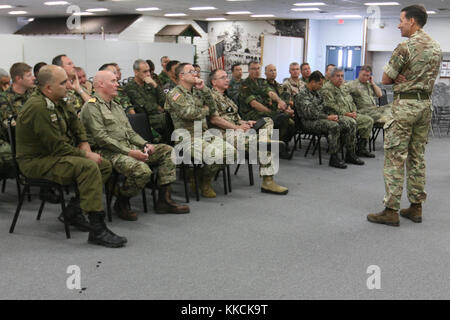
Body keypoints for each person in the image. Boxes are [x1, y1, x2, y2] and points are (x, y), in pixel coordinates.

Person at [15, 65, 126, 248]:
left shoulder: (57, 99)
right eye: (63, 82)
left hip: (54, 155)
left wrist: (84, 143)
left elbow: (76, 124)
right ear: (48, 87)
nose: (69, 85)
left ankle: (74, 210)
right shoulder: (38, 107)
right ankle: (97, 229)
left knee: (104, 165)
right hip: (36, 162)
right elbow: (58, 147)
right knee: (89, 166)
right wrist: (86, 156)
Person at [367, 5, 442, 226]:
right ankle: (416, 207)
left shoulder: (405, 46)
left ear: (412, 21)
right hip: (425, 106)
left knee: (395, 157)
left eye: (401, 20)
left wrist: (402, 78)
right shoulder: (437, 47)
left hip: (405, 106)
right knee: (417, 157)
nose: (398, 24)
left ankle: (391, 210)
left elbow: (386, 79)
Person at [81, 71, 189, 221]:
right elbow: (102, 139)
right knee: (142, 171)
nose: (117, 84)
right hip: (107, 152)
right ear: (100, 84)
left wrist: (145, 144)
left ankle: (164, 200)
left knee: (167, 150)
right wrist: (130, 152)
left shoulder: (116, 105)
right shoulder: (91, 107)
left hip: (127, 147)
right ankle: (122, 201)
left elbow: (130, 133)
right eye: (113, 81)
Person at [209, 69, 288, 194]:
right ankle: (268, 181)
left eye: (226, 77)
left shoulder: (226, 97)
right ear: (214, 82)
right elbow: (215, 120)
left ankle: (263, 140)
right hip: (223, 133)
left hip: (238, 129)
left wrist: (245, 123)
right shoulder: (210, 97)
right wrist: (236, 128)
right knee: (265, 147)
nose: (227, 79)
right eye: (222, 77)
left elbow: (235, 117)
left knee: (267, 120)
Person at [165, 63, 236, 198]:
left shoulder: (198, 91)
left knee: (231, 153)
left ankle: (199, 177)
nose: (195, 74)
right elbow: (189, 113)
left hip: (203, 134)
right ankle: (204, 182)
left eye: (195, 71)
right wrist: (205, 110)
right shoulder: (175, 94)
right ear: (182, 76)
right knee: (217, 155)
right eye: (191, 72)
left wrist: (204, 89)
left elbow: (213, 106)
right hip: (186, 138)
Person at [294, 71, 363, 168]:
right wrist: (327, 117)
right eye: (320, 84)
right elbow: (309, 113)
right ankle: (334, 157)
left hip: (321, 117)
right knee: (334, 126)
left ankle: (350, 154)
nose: (321, 86)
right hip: (309, 122)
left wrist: (335, 115)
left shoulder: (317, 93)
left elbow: (325, 107)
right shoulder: (302, 95)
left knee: (350, 122)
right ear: (312, 82)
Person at [239, 61, 295, 158]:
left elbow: (270, 92)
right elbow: (254, 104)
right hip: (250, 114)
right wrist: (271, 113)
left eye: (258, 68)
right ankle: (278, 149)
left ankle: (281, 146)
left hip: (264, 112)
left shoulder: (262, 82)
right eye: (253, 69)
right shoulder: (245, 85)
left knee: (288, 120)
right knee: (280, 118)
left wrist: (279, 101)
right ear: (248, 71)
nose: (256, 71)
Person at [321, 67, 375, 158]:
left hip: (350, 114)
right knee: (351, 122)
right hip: (337, 115)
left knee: (368, 120)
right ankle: (350, 153)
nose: (340, 78)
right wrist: (346, 114)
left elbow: (351, 101)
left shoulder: (343, 87)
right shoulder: (327, 89)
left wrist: (354, 111)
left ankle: (361, 149)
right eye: (338, 76)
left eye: (342, 76)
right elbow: (331, 106)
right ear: (331, 77)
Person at [124, 59, 169, 142]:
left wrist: (156, 86)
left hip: (160, 116)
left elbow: (164, 102)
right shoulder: (130, 87)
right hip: (147, 119)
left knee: (173, 119)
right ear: (136, 72)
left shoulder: (151, 83)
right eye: (145, 72)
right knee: (168, 120)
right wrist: (159, 108)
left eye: (149, 71)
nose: (148, 74)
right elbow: (143, 106)